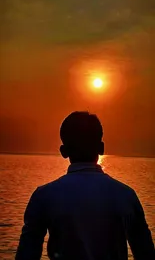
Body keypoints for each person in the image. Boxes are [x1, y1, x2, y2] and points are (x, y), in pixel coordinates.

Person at [15, 111, 155, 260]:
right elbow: (146, 254)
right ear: (101, 148)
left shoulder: (43, 196)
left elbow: (27, 254)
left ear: (63, 152)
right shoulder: (126, 195)